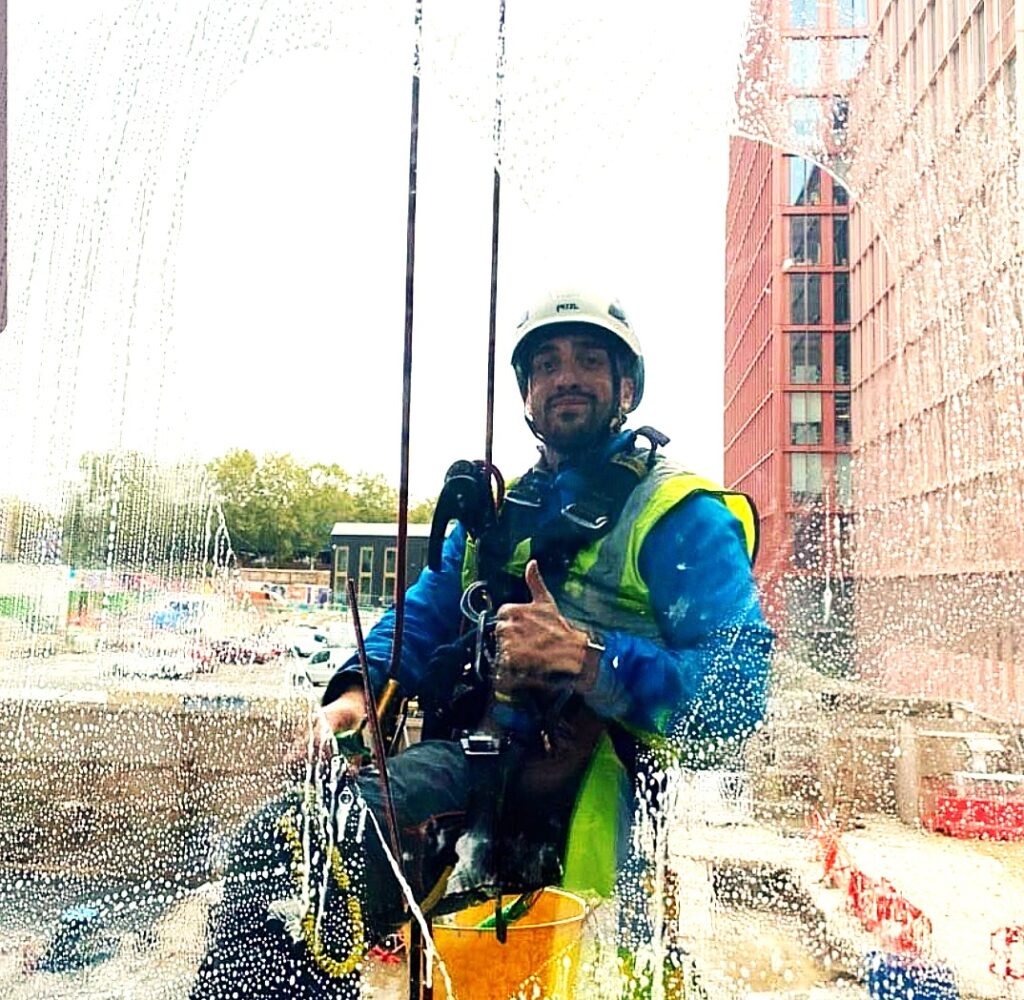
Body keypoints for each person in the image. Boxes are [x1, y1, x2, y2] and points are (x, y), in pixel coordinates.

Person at [191, 289, 773, 999]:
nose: (567, 376)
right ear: (528, 395)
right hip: (481, 763)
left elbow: (739, 694)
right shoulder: (499, 513)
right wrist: (352, 696)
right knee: (289, 850)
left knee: (582, 977)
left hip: (600, 788)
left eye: (590, 361)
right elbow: (424, 613)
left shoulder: (680, 516)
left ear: (627, 389)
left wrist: (592, 661)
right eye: (547, 364)